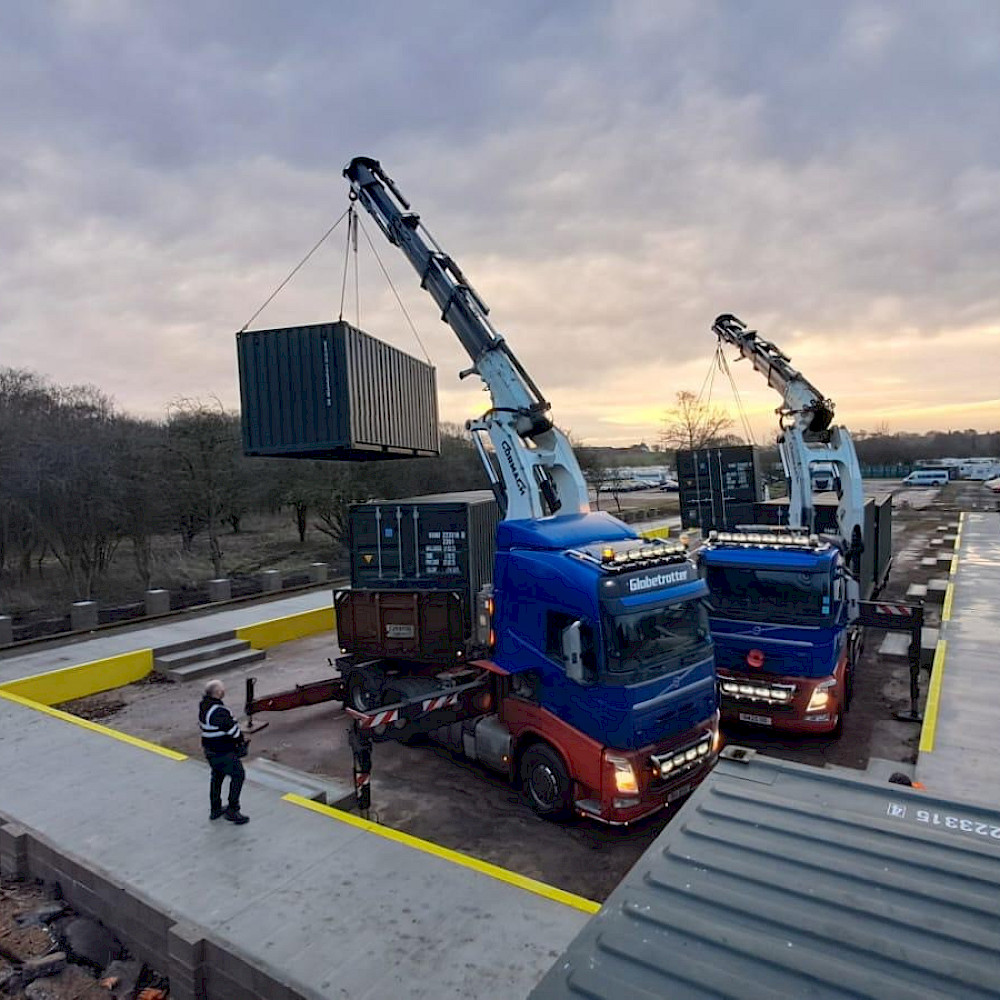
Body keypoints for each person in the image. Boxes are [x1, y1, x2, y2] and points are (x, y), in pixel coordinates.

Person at [198, 679, 249, 824]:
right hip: (222, 751)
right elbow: (234, 731)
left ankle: (215, 809)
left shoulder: (204, 707)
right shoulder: (219, 711)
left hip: (210, 751)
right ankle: (233, 810)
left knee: (217, 776)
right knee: (239, 775)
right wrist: (240, 741)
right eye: (222, 689)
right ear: (218, 693)